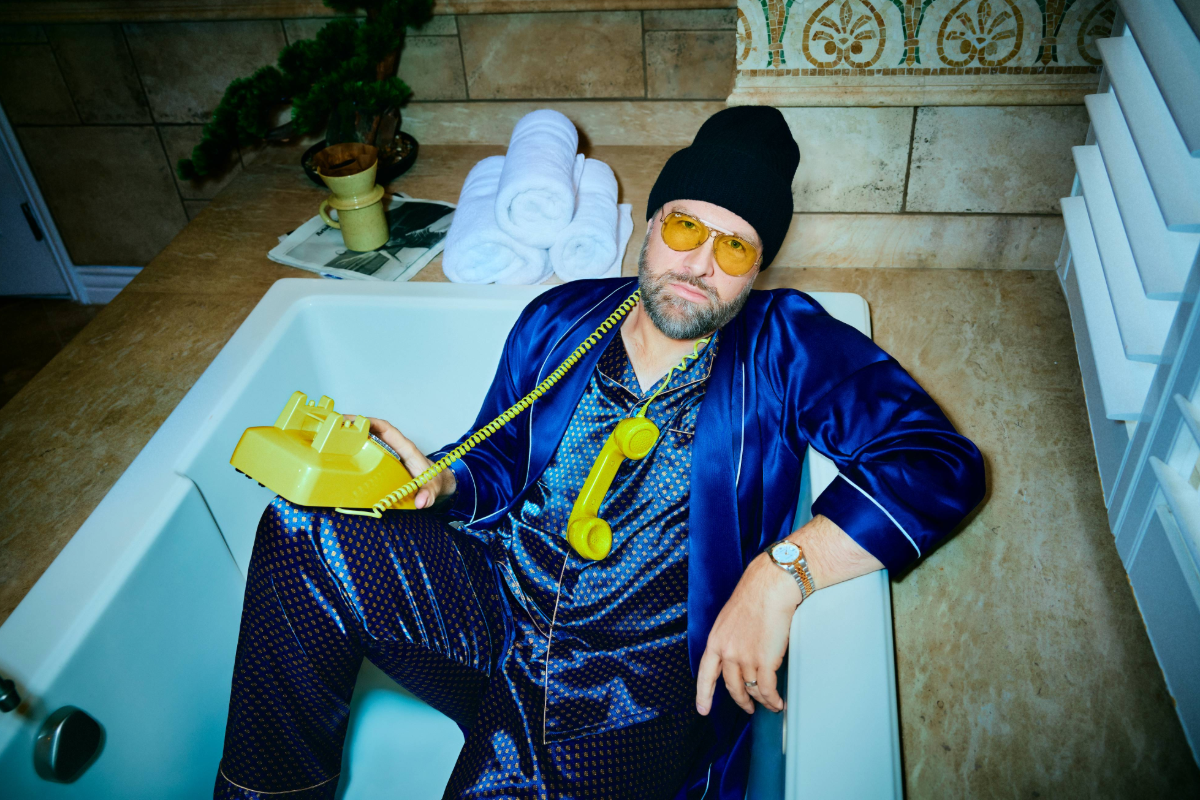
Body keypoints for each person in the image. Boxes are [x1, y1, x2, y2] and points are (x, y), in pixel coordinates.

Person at [214, 106, 985, 800]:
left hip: (632, 688)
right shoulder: (559, 317)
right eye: (685, 228)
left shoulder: (787, 343)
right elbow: (501, 457)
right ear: (649, 227)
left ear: (759, 269)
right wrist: (443, 479)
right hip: (498, 610)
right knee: (304, 531)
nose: (699, 264)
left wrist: (780, 574)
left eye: (735, 246)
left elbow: (939, 463)